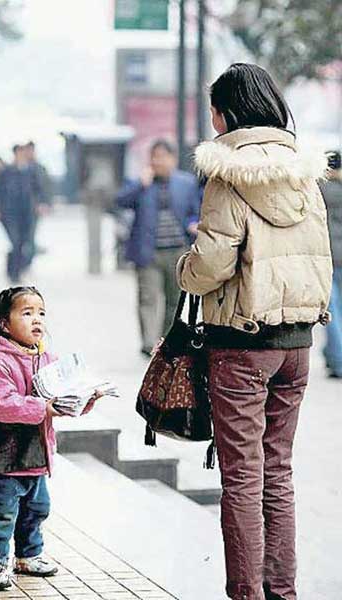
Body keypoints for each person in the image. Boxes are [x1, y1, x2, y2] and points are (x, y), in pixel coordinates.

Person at [176, 63, 332, 600]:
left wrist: (184, 267)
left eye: (215, 110)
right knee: (278, 473)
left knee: (243, 477)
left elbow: (212, 264)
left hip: (241, 343)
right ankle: (282, 591)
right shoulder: (304, 171)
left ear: (227, 113)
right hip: (297, 344)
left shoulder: (228, 173)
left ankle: (246, 594)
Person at [0, 286, 99, 591]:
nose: (37, 320)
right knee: (3, 513)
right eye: (26, 313)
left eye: (41, 313)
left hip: (35, 455)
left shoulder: (47, 358)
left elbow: (59, 399)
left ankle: (28, 556)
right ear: (5, 323)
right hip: (2, 458)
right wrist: (43, 407)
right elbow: (2, 404)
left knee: (37, 508)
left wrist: (83, 397)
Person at [116, 139, 201, 356]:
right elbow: (120, 201)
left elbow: (196, 210)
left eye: (163, 156)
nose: (158, 161)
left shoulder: (187, 183)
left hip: (178, 251)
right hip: (148, 252)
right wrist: (140, 185)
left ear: (173, 159)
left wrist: (193, 222)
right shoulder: (140, 183)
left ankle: (165, 340)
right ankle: (147, 343)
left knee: (174, 300)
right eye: (154, 157)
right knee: (148, 297)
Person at [0, 145, 36, 283]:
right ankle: (13, 273)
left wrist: (41, 203)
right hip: (9, 213)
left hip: (26, 213)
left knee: (24, 243)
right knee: (14, 242)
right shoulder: (6, 172)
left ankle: (17, 270)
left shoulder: (31, 171)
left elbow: (39, 189)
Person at [320, 150, 342, 377]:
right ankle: (332, 354)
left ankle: (338, 359)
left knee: (332, 309)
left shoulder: (322, 189)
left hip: (329, 257)